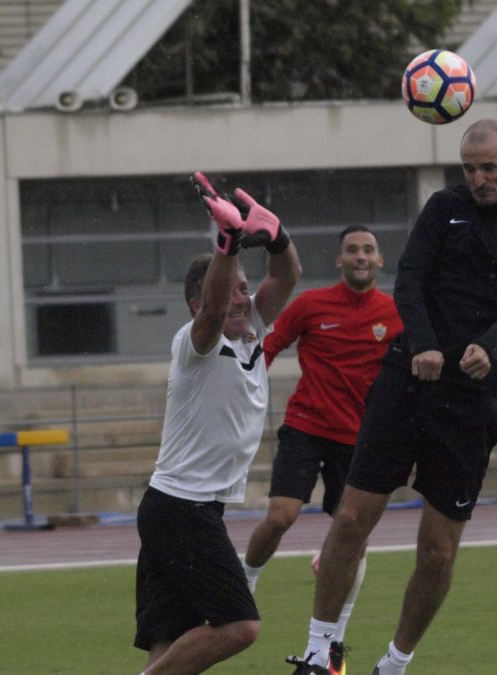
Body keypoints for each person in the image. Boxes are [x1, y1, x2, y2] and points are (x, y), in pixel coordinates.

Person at [288, 119, 497, 675]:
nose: (478, 178)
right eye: (469, 168)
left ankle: (394, 664)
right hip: (407, 382)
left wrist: (491, 346)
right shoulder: (444, 207)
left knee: (437, 551)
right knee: (350, 518)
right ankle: (320, 652)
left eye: (489, 167)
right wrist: (424, 344)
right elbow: (409, 280)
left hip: (473, 401)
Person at [134, 172, 301, 675]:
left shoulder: (252, 331)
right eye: (233, 290)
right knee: (240, 626)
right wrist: (227, 245)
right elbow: (213, 310)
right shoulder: (196, 342)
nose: (242, 298)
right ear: (197, 303)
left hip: (180, 509)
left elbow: (286, 276)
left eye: (245, 289)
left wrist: (277, 238)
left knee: (171, 639)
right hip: (182, 509)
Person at [243, 225, 403, 640]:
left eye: (368, 250)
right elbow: (268, 346)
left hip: (359, 441)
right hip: (306, 428)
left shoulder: (395, 314)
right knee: (281, 516)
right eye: (352, 250)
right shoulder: (311, 305)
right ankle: (245, 583)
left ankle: (335, 635)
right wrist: (245, 391)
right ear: (339, 260)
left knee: (355, 538)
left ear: (380, 260)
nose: (360, 256)